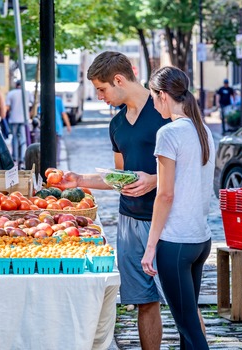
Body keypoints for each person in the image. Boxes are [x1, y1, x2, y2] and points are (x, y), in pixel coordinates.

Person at [62, 51, 170, 350]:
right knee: (144, 302)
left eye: (102, 89)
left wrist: (154, 180)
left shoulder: (164, 109)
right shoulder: (117, 124)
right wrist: (81, 180)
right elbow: (120, 176)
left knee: (183, 304)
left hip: (168, 222)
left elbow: (193, 166)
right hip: (129, 220)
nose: (99, 97)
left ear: (119, 80)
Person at [141, 66, 214, 349]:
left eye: (153, 97)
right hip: (200, 239)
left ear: (162, 95)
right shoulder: (203, 129)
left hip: (176, 243)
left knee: (191, 331)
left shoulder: (168, 133)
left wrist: (150, 246)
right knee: (187, 331)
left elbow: (165, 194)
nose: (152, 102)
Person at [5, 80, 31, 168]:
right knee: (23, 139)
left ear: (16, 85)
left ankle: (15, 158)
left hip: (14, 119)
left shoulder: (11, 93)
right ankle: (22, 158)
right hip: (24, 119)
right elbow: (31, 104)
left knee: (15, 138)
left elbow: (7, 107)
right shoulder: (27, 93)